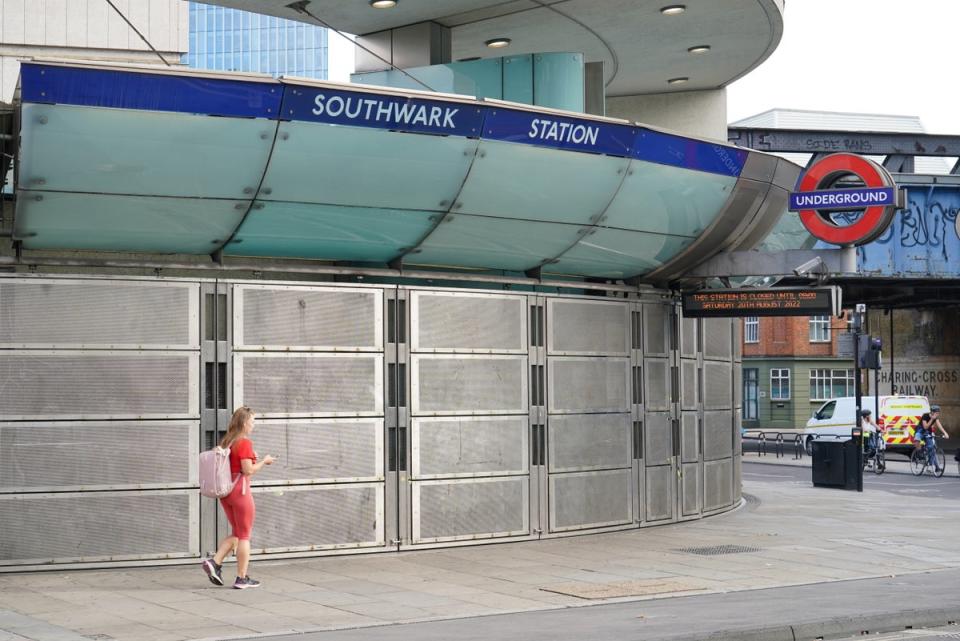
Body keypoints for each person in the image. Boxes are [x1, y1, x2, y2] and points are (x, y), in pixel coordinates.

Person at [201, 406, 275, 589]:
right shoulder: (244, 442)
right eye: (252, 421)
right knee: (244, 536)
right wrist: (264, 462)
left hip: (226, 493)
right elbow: (247, 470)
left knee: (236, 532)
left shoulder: (228, 440)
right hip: (240, 492)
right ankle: (242, 578)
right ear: (244, 422)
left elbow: (235, 464)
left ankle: (215, 562)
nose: (253, 425)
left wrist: (251, 458)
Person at [915, 405, 949, 474]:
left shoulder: (936, 418)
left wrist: (945, 433)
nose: (938, 414)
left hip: (927, 432)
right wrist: (932, 419)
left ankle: (934, 466)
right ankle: (920, 454)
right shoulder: (925, 416)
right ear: (932, 412)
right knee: (917, 438)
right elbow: (925, 427)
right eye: (937, 413)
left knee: (931, 448)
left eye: (938, 413)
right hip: (920, 431)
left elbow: (940, 426)